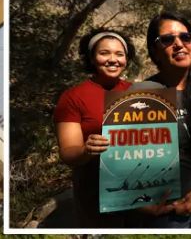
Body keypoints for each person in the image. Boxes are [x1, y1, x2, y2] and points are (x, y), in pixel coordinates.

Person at [131, 11, 191, 229]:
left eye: (185, 37)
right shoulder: (142, 94)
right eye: (167, 39)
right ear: (154, 51)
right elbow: (123, 160)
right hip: (164, 211)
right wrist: (140, 204)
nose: (179, 44)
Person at [53, 27, 136, 228]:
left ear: (126, 59)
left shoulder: (138, 91)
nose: (113, 59)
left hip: (138, 187)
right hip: (95, 193)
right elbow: (68, 152)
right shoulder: (73, 97)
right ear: (91, 58)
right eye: (104, 53)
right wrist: (86, 150)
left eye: (119, 54)